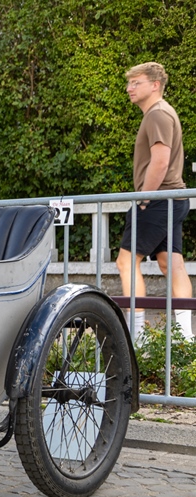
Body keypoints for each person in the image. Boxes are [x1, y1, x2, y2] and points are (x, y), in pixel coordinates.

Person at [116, 62, 192, 342]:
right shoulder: (162, 112)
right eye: (129, 83)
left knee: (126, 261)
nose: (129, 88)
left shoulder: (157, 114)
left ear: (155, 85)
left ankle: (137, 339)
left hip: (159, 198)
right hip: (173, 198)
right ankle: (186, 339)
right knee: (171, 264)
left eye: (136, 82)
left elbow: (160, 162)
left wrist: (144, 199)